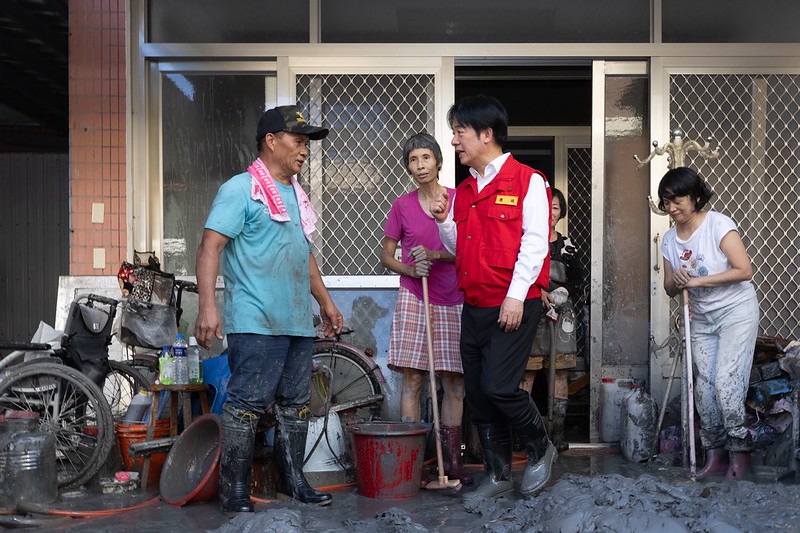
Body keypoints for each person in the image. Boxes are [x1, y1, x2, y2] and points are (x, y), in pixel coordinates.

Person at [194, 104, 343, 513]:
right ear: (271, 141)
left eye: (307, 143)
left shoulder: (295, 195)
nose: (305, 150)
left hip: (295, 321)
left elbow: (303, 253)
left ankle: (293, 483)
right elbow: (210, 249)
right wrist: (208, 307)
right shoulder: (241, 189)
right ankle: (235, 491)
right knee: (246, 406)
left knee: (296, 406)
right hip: (256, 320)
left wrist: (326, 302)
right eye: (298, 141)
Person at [431, 95, 557, 500]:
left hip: (513, 304)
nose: (454, 142)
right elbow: (459, 248)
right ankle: (499, 473)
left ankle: (541, 448)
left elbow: (535, 244)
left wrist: (516, 296)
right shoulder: (465, 190)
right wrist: (445, 221)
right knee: (481, 395)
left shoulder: (528, 181)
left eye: (459, 133)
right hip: (475, 305)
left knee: (501, 386)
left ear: (486, 135)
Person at [380, 132, 471, 485]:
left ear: (438, 161)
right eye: (413, 160)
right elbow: (386, 256)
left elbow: (467, 250)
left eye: (425, 158)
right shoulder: (401, 205)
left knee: (454, 383)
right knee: (413, 380)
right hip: (415, 297)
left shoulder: (458, 200)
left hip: (453, 297)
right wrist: (410, 267)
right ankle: (411, 463)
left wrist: (436, 255)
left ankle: (452, 463)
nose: (419, 166)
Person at [658, 166, 759, 482]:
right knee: (704, 389)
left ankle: (740, 458)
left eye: (678, 200)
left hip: (736, 314)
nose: (672, 208)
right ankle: (714, 456)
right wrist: (678, 279)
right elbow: (669, 288)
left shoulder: (718, 225)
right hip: (701, 320)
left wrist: (700, 281)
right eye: (666, 202)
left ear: (696, 197)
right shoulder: (669, 241)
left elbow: (744, 270)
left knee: (727, 380)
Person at [521, 188, 582, 453]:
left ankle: (555, 436)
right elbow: (517, 275)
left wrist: (563, 292)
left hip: (561, 317)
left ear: (561, 212)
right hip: (532, 311)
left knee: (559, 376)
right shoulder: (525, 243)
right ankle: (527, 436)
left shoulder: (567, 246)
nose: (550, 211)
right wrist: (538, 293)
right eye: (546, 206)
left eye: (555, 207)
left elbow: (579, 280)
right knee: (527, 375)